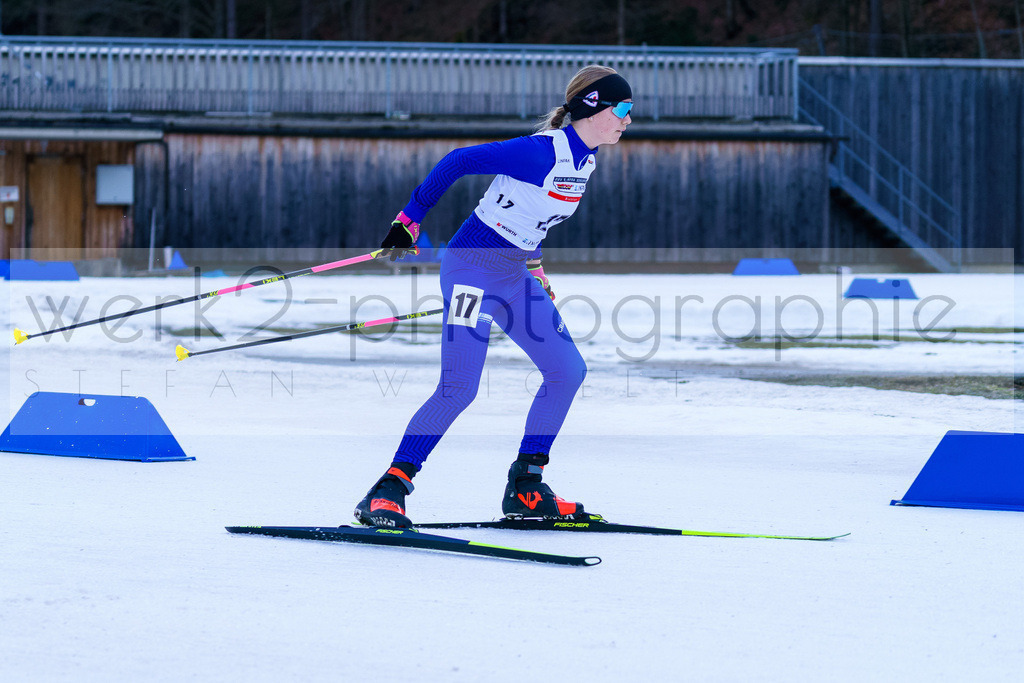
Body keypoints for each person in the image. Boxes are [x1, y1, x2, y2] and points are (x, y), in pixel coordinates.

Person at [354, 65, 634, 528]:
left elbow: (532, 218)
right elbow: (458, 160)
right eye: (623, 109)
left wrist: (536, 269)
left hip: (512, 275)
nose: (628, 119)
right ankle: (388, 490)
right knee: (460, 387)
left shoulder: (585, 160)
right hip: (470, 271)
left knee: (567, 371)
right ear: (593, 107)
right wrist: (409, 219)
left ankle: (526, 486)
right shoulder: (539, 152)